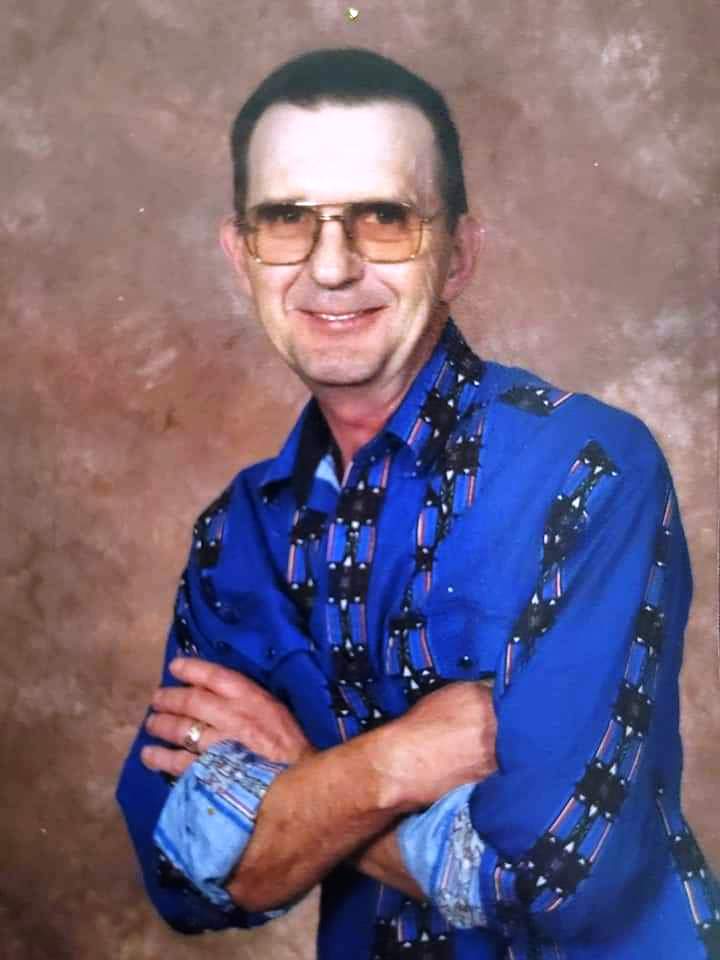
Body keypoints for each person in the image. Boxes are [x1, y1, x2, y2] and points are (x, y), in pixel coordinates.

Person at [116, 48, 719, 960]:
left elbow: (558, 882)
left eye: (384, 218)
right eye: (287, 219)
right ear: (241, 254)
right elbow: (184, 877)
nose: (331, 267)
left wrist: (294, 787)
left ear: (459, 255)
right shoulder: (235, 536)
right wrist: (391, 765)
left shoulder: (589, 469)